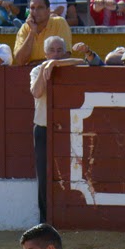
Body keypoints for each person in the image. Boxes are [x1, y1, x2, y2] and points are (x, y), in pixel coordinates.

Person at [31, 36, 84, 223]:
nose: (56, 54)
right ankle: (45, 220)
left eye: (59, 50)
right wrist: (46, 68)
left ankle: (70, 218)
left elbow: (82, 61)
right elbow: (37, 92)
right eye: (52, 51)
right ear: (45, 54)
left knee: (72, 173)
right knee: (44, 175)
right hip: (44, 128)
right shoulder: (37, 70)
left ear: (66, 53)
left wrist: (55, 64)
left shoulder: (72, 68)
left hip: (70, 130)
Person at [13, 0, 71, 65]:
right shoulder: (25, 28)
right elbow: (20, 61)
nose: (35, 11)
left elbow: (65, 56)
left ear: (48, 10)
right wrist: (32, 32)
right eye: (32, 8)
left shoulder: (59, 23)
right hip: (30, 72)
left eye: (40, 7)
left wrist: (38, 63)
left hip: (55, 71)